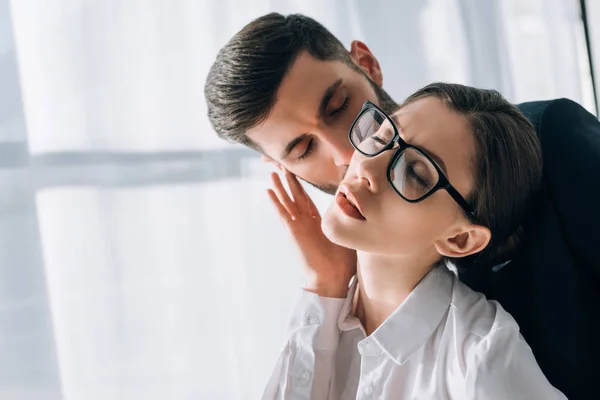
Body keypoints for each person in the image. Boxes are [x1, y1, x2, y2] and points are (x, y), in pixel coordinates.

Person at [205, 13, 600, 399]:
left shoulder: (544, 138)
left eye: (340, 105)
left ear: (368, 64)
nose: (347, 155)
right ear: (281, 167)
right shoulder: (327, 318)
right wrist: (325, 283)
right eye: (304, 149)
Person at [261, 82, 565, 399]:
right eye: (381, 138)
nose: (366, 165)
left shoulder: (480, 358)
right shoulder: (323, 311)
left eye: (415, 173)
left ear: (460, 239)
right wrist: (324, 282)